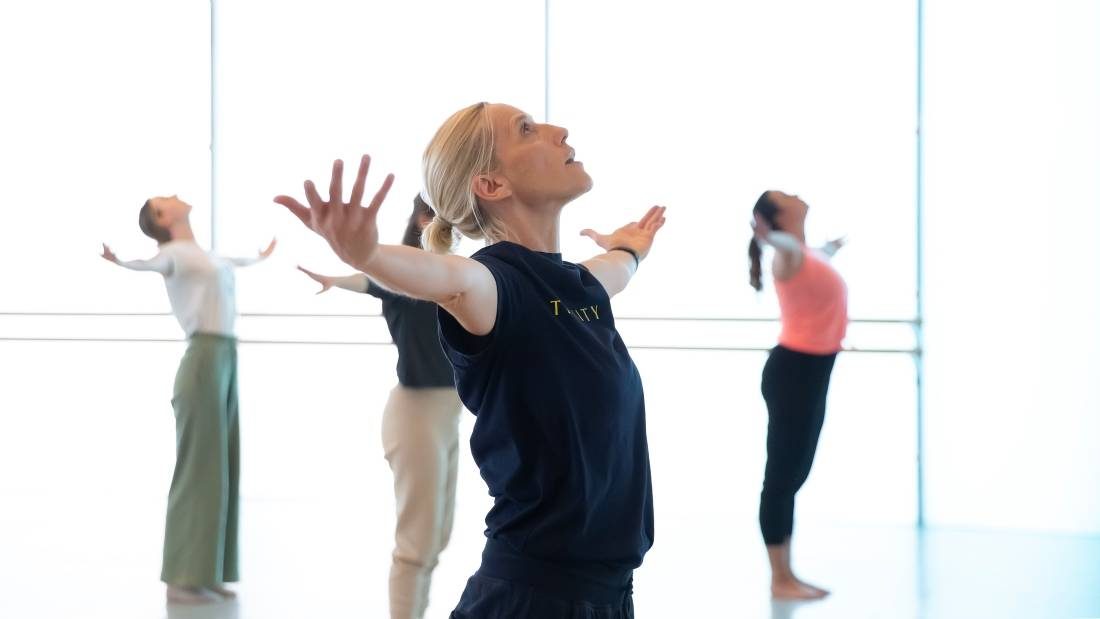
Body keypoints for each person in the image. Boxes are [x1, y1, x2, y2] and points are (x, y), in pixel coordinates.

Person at [274, 102, 666, 618]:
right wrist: (366, 254)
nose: (560, 130)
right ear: (491, 184)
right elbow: (446, 279)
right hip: (534, 600)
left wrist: (631, 250)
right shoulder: (492, 284)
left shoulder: (579, 288)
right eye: (527, 129)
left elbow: (612, 269)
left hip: (609, 596)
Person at [101, 194, 275, 604]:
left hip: (225, 358)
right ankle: (181, 578)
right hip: (202, 361)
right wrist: (121, 262)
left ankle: (208, 571)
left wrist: (262, 255)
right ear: (163, 217)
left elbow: (234, 263)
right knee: (198, 468)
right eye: (166, 199)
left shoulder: (205, 255)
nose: (177, 197)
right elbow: (152, 265)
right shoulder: (173, 254)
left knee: (222, 467)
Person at [297, 195, 461, 619]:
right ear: (426, 220)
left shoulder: (450, 278)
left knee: (437, 538)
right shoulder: (404, 279)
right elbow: (373, 279)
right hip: (415, 416)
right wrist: (336, 278)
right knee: (416, 544)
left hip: (446, 415)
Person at [749, 190, 847, 600]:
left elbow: (817, 252)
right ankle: (779, 578)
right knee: (781, 479)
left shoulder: (807, 254)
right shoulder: (786, 253)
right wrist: (768, 237)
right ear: (778, 216)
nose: (796, 194)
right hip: (794, 374)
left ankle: (788, 572)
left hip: (812, 372)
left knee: (794, 476)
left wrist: (834, 246)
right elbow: (786, 245)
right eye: (786, 195)